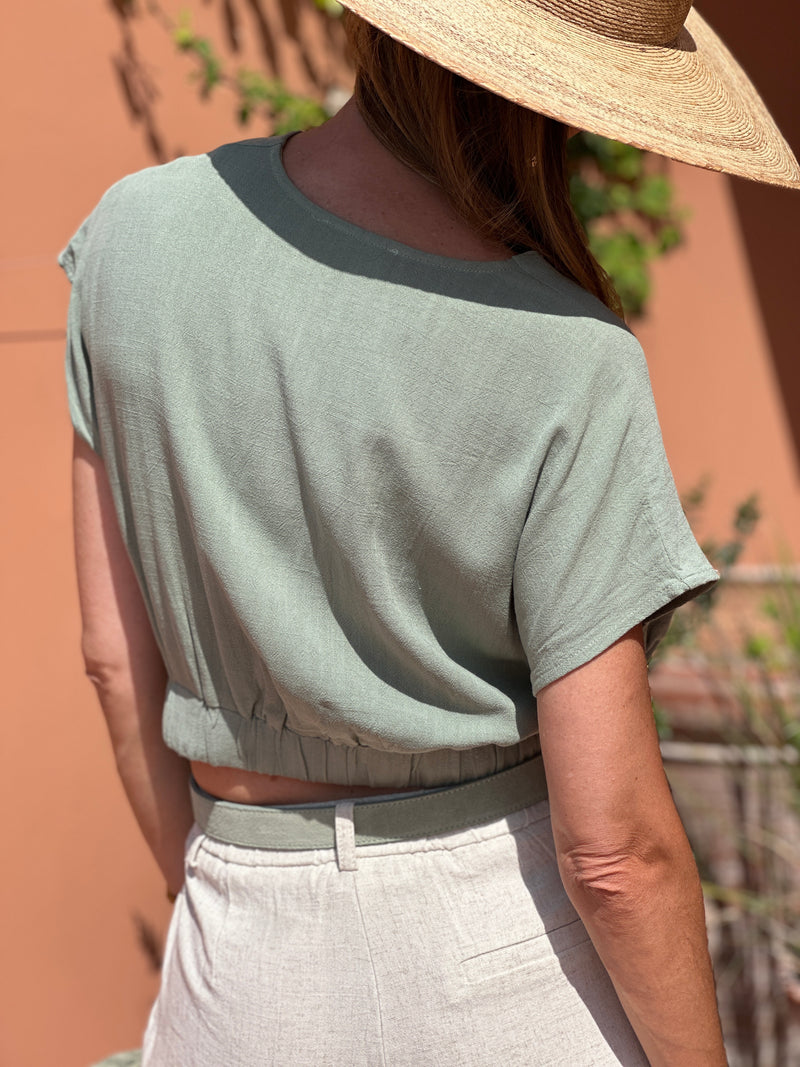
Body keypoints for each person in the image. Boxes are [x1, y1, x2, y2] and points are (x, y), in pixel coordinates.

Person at [62, 2, 799, 1065]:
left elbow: (110, 660)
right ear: (574, 96)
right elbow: (614, 855)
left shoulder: (131, 236)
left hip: (238, 951)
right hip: (500, 958)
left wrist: (228, 895)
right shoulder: (570, 357)